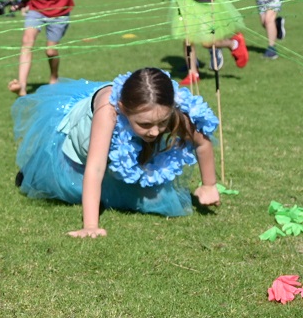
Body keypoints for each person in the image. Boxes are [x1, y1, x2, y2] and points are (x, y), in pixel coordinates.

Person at [13, 68, 222, 238]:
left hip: (112, 156)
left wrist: (209, 185)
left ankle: (115, 183)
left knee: (154, 199)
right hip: (78, 154)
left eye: (162, 123)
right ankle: (29, 174)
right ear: (122, 108)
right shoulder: (108, 111)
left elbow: (202, 142)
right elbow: (95, 167)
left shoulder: (168, 108)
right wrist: (90, 226)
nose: (155, 132)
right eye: (145, 124)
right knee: (62, 185)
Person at [0, 0, 90, 96]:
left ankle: (54, 77)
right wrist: (22, 4)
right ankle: (22, 87)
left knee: (50, 51)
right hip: (36, 8)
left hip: (59, 9)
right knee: (27, 41)